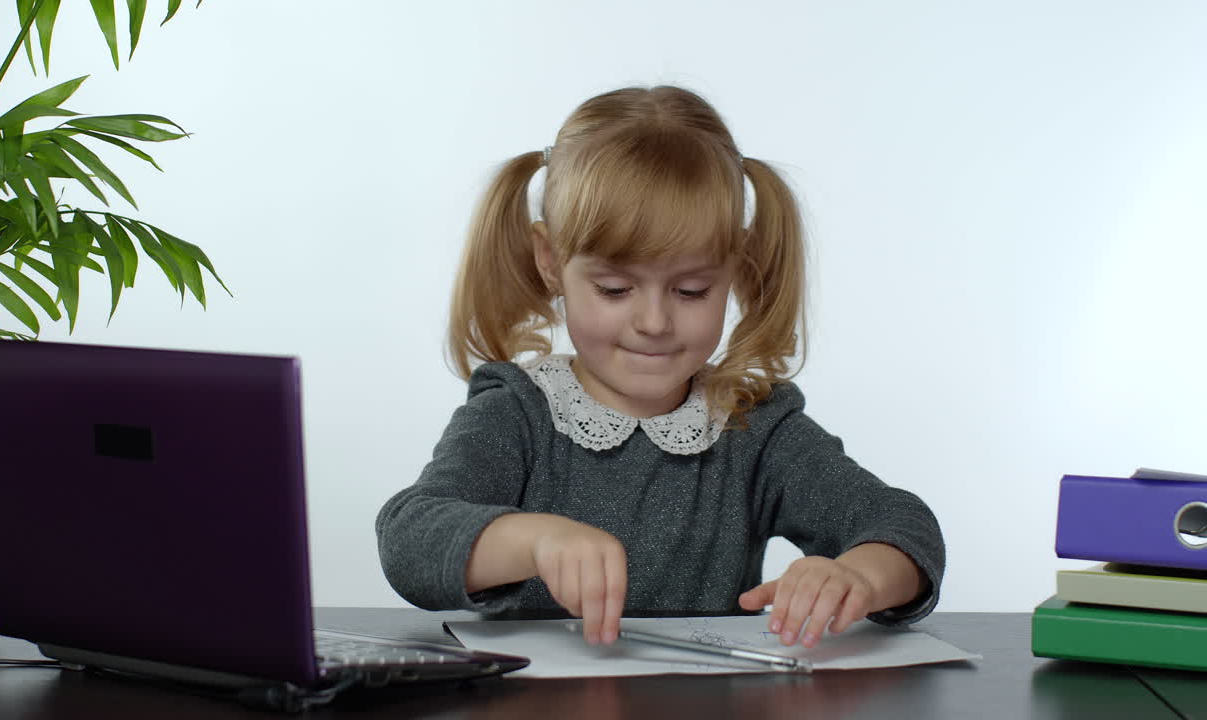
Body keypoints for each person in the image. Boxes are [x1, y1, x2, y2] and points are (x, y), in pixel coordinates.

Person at [376, 85, 944, 651]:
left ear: (736, 270)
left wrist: (859, 578)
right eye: (615, 287)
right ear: (550, 261)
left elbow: (903, 525)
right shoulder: (518, 411)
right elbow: (409, 539)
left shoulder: (752, 427)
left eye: (692, 290)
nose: (654, 321)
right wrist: (533, 540)